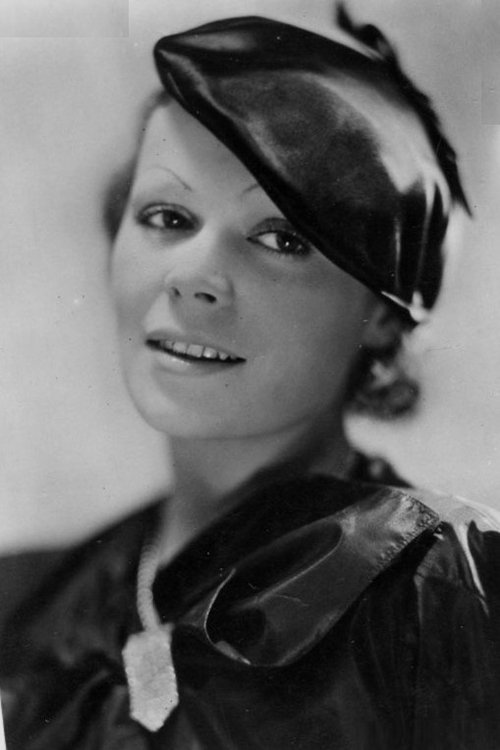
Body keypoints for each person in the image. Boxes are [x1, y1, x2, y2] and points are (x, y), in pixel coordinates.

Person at [1, 8, 500, 750]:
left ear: (382, 314)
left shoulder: (431, 582)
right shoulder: (25, 604)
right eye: (168, 217)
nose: (193, 276)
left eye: (281, 238)